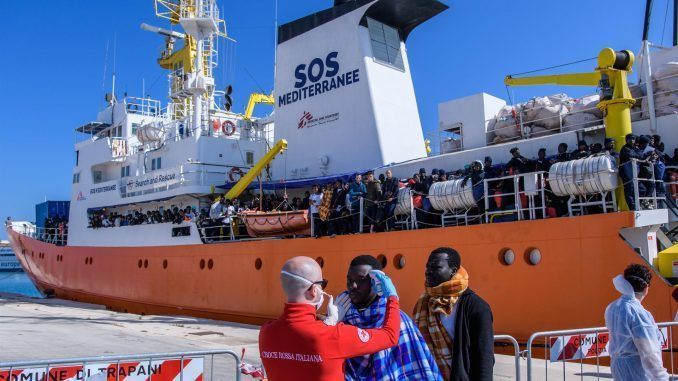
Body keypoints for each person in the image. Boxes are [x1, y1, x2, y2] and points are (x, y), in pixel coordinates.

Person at [259, 256, 402, 381]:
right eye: (323, 284)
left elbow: (297, 348)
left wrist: (329, 323)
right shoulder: (334, 335)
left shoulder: (266, 332)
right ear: (314, 290)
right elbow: (390, 336)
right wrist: (392, 297)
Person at [339, 255, 443, 380]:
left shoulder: (397, 319)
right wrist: (331, 322)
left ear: (376, 281)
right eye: (349, 280)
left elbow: (413, 369)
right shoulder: (341, 316)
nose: (353, 286)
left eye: (361, 280)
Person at [413, 247, 494, 380]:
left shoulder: (477, 307)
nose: (428, 272)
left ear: (453, 271)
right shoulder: (423, 303)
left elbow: (484, 356)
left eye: (436, 267)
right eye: (427, 267)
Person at [605, 264, 669, 381]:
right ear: (645, 287)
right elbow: (648, 350)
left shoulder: (613, 307)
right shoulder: (638, 312)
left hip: (617, 366)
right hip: (637, 369)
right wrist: (661, 377)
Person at [619, 134, 645, 210]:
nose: (632, 140)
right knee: (629, 190)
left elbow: (641, 155)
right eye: (631, 139)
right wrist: (637, 154)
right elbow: (631, 155)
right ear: (626, 140)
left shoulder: (634, 148)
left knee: (642, 189)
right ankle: (632, 207)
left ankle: (638, 204)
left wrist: (637, 154)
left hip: (634, 174)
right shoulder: (625, 148)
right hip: (626, 173)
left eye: (634, 139)